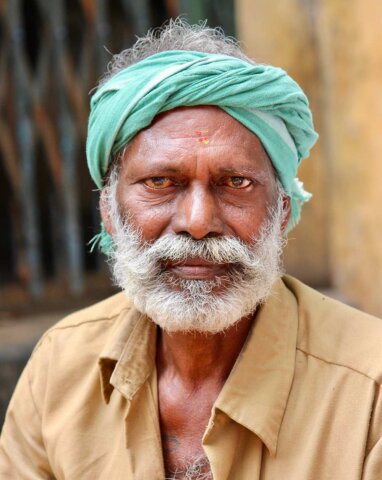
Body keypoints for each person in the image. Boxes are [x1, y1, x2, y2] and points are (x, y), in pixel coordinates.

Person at [1, 19, 382, 480]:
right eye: (161, 182)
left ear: (282, 212)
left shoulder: (370, 390)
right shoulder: (60, 368)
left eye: (235, 183)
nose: (198, 223)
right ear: (109, 211)